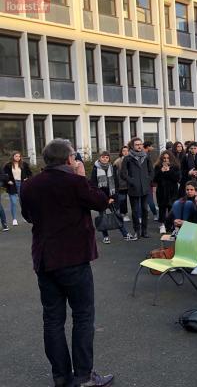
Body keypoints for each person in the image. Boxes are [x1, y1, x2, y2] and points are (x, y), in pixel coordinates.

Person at [20, 139, 114, 387]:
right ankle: (83, 376)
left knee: (52, 319)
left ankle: (61, 376)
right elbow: (101, 202)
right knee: (83, 316)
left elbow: (28, 216)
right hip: (74, 259)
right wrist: (83, 177)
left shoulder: (30, 185)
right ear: (69, 159)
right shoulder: (75, 182)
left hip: (44, 259)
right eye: (75, 156)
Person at [90, 151, 135, 243]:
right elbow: (94, 185)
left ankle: (125, 234)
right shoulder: (95, 169)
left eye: (106, 157)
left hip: (112, 196)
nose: (105, 159)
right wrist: (104, 199)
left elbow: (116, 182)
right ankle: (105, 236)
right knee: (103, 216)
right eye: (103, 157)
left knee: (117, 215)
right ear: (99, 158)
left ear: (109, 159)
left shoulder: (111, 167)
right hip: (101, 197)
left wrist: (113, 197)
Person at [119, 137, 153, 238]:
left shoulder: (146, 157)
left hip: (145, 187)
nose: (139, 146)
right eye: (137, 145)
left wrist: (148, 179)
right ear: (133, 146)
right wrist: (132, 181)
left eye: (140, 144)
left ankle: (144, 231)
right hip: (133, 188)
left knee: (144, 209)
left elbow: (151, 171)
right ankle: (137, 231)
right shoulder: (128, 158)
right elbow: (123, 174)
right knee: (135, 211)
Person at [154, 150, 181, 235]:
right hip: (161, 190)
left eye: (168, 158)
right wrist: (161, 171)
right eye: (164, 158)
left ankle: (170, 225)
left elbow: (177, 179)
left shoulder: (175, 167)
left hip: (172, 190)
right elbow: (154, 179)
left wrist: (169, 171)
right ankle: (162, 224)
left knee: (172, 208)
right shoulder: (157, 166)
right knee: (162, 207)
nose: (166, 160)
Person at [4, 150, 32, 226]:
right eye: (16, 156)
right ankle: (14, 219)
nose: (18, 158)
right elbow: (4, 175)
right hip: (12, 185)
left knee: (22, 202)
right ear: (13, 156)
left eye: (19, 156)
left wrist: (27, 179)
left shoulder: (24, 164)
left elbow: (30, 173)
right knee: (13, 202)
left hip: (22, 184)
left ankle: (24, 217)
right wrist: (8, 181)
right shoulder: (8, 165)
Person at [112, 146, 130, 222]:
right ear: (121, 152)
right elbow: (115, 175)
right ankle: (123, 214)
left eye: (127, 151)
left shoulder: (132, 160)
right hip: (121, 184)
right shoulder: (117, 162)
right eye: (124, 151)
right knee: (123, 200)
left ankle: (138, 215)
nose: (126, 152)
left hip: (131, 183)